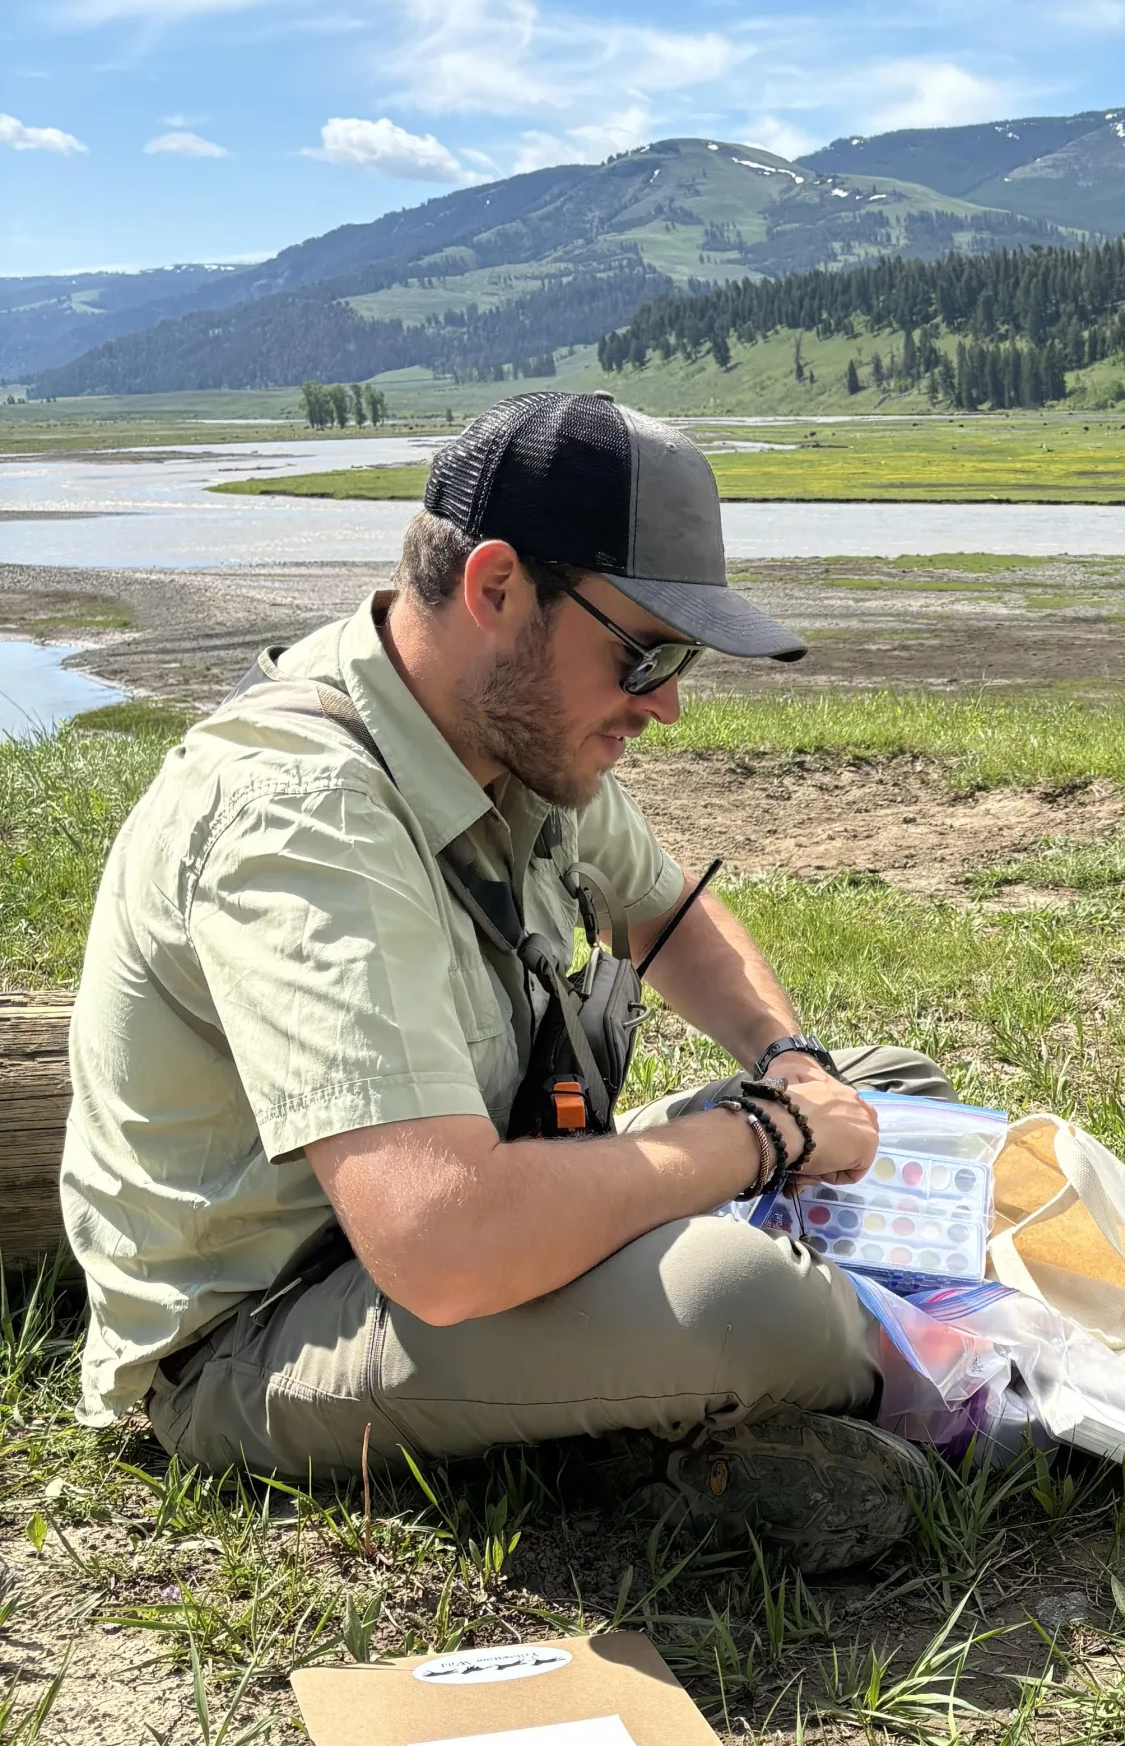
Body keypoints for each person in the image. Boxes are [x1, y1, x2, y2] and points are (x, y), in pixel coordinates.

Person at [61, 392, 946, 1573]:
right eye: (646, 653)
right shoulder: (302, 819)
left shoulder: (495, 720)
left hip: (463, 1214)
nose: (667, 702)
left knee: (886, 1089)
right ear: (494, 588)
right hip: (263, 1333)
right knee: (752, 1303)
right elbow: (443, 1245)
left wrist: (788, 1067)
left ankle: (782, 1357)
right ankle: (924, 1371)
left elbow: (670, 915)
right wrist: (765, 1140)